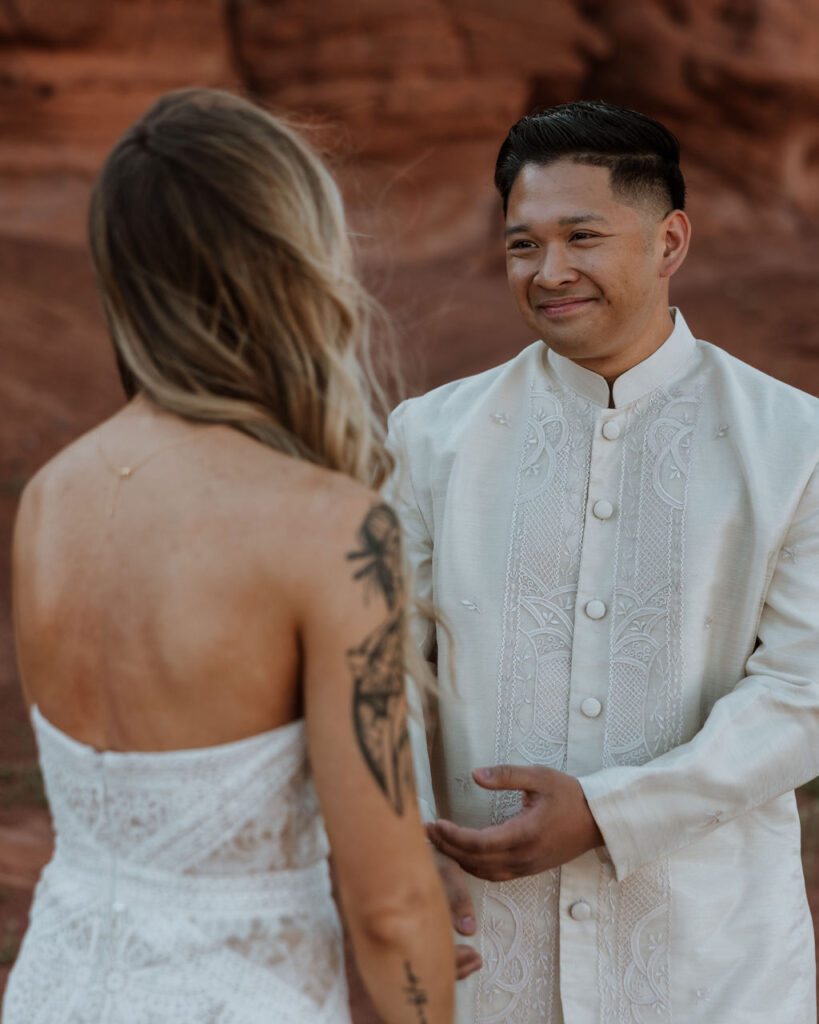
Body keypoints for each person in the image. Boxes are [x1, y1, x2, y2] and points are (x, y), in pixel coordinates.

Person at [3, 88, 454, 1024]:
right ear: (293, 264)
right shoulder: (327, 528)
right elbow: (390, 904)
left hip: (55, 986)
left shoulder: (50, 497)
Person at [387, 100, 819, 1023]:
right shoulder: (430, 439)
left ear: (668, 242)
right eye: (520, 245)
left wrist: (609, 813)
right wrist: (402, 850)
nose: (549, 273)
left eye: (581, 235)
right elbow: (381, 672)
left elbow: (803, 693)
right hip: (482, 960)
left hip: (711, 967)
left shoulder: (796, 444)